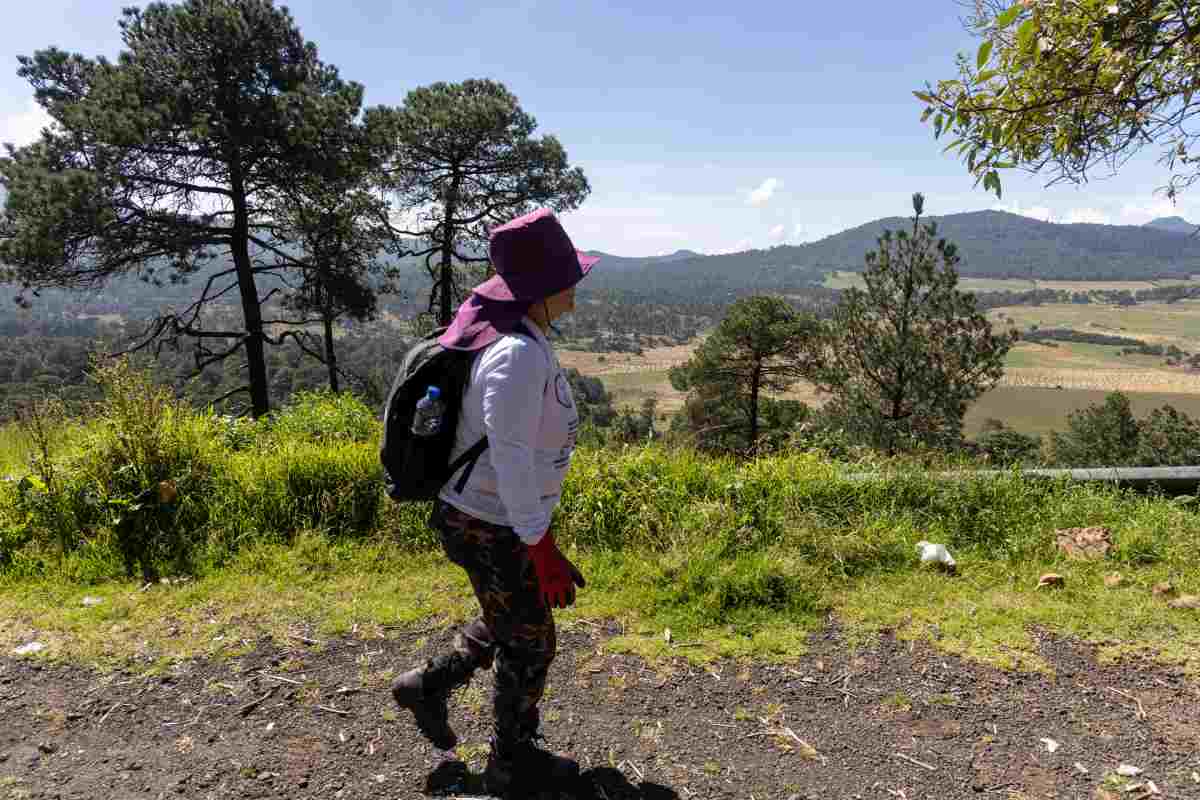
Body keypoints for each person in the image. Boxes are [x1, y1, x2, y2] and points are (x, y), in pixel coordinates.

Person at [392, 208, 595, 796]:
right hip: (487, 522)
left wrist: (536, 537)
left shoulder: (525, 341)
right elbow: (509, 460)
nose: (575, 290)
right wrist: (544, 548)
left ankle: (426, 686)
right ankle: (511, 764)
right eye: (568, 280)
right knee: (532, 641)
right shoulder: (517, 356)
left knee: (512, 619)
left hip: (494, 519)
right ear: (541, 290)